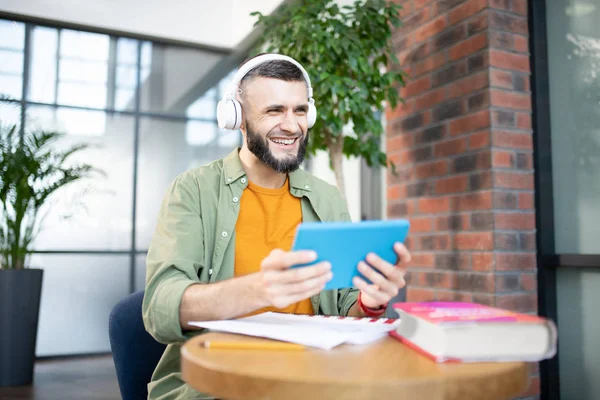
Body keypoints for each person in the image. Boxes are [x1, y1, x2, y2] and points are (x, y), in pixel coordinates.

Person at [142, 53, 411, 400]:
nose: (292, 125)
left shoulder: (327, 198)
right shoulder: (193, 190)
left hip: (317, 380)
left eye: (300, 110)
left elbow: (347, 309)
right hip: (222, 384)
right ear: (237, 118)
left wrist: (370, 301)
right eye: (274, 111)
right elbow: (160, 307)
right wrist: (258, 290)